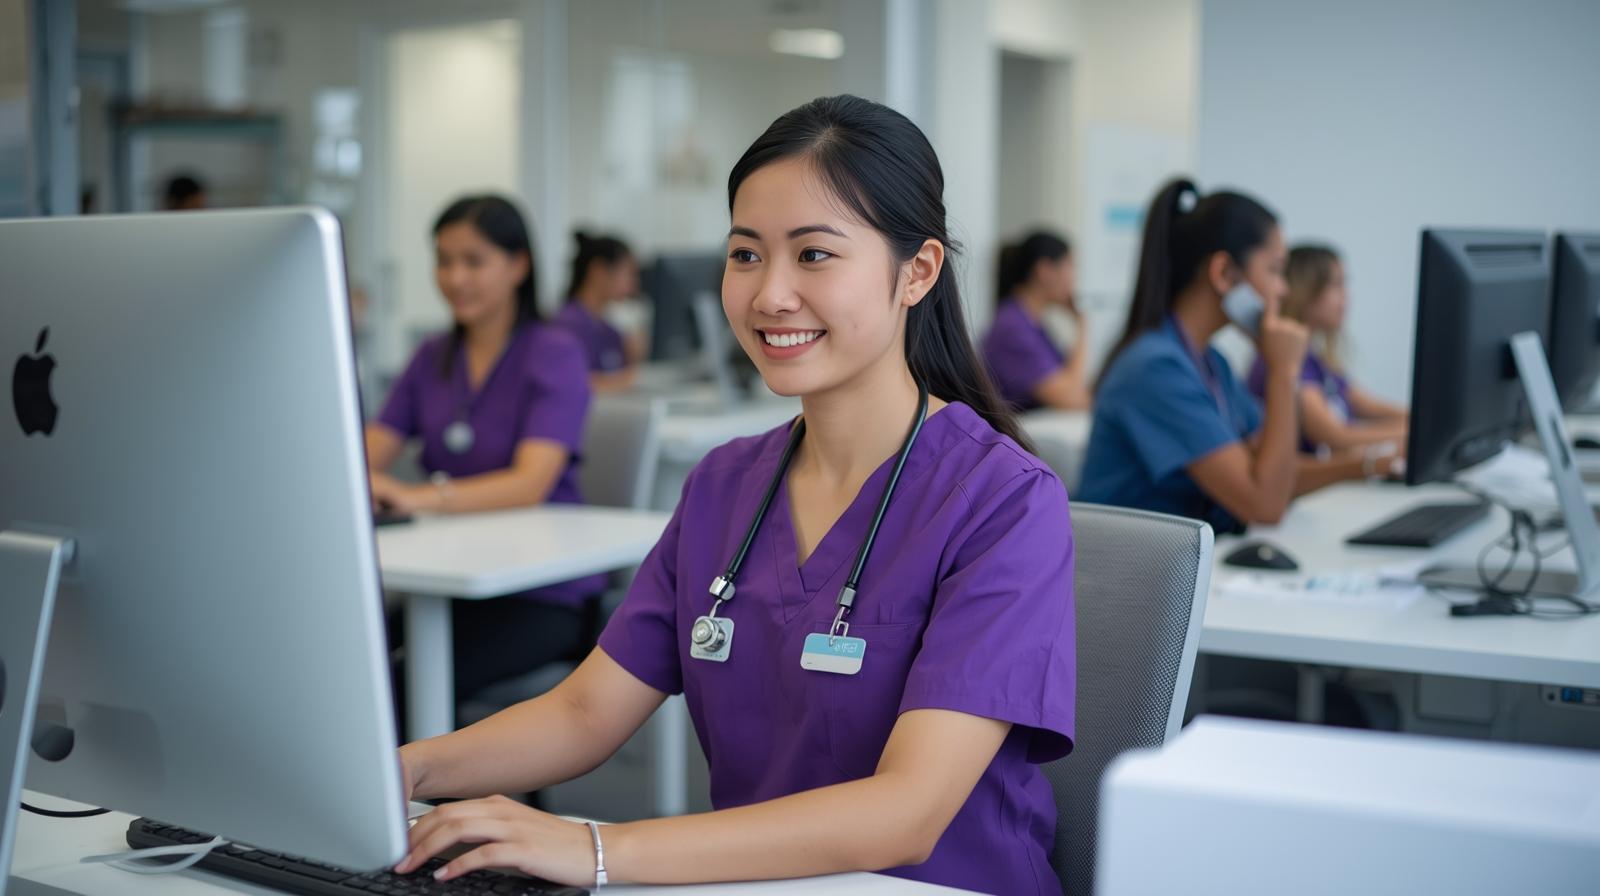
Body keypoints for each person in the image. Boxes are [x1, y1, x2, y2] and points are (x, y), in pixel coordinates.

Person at [394, 95, 1076, 895]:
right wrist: (402, 771)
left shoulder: (1003, 501)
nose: (769, 295)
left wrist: (598, 850)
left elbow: (905, 814)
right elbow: (586, 714)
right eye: (746, 255)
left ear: (916, 272)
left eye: (814, 255)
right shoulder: (724, 486)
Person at [364, 194, 603, 701]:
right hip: (448, 582)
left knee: (402, 692)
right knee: (346, 668)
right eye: (444, 261)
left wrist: (415, 496)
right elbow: (362, 458)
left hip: (541, 592)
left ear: (518, 265)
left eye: (474, 261)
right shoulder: (432, 357)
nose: (455, 278)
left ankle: (429, 783)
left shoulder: (554, 352)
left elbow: (530, 483)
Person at [1077, 179, 1397, 535]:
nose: (1284, 289)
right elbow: (1265, 504)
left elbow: (1273, 471)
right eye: (1275, 270)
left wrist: (1363, 465)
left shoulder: (1210, 362)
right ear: (1224, 273)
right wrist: (1283, 371)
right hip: (1132, 581)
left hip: (1182, 568)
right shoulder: (1156, 369)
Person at [1247, 244, 1408, 455]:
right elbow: (1335, 436)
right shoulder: (1284, 358)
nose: (1346, 296)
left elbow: (1365, 404)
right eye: (1336, 285)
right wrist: (1409, 432)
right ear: (1305, 291)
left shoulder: (1316, 359)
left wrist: (1419, 419)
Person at [982, 230, 1091, 410]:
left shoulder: (1029, 321)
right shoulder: (1013, 328)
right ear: (1045, 271)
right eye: (1069, 266)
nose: (1073, 278)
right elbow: (1073, 397)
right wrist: (1082, 324)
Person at [555, 231, 645, 392]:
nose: (634, 285)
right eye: (628, 273)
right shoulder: (563, 328)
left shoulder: (611, 332)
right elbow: (566, 383)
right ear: (598, 270)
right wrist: (624, 380)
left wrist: (633, 357)